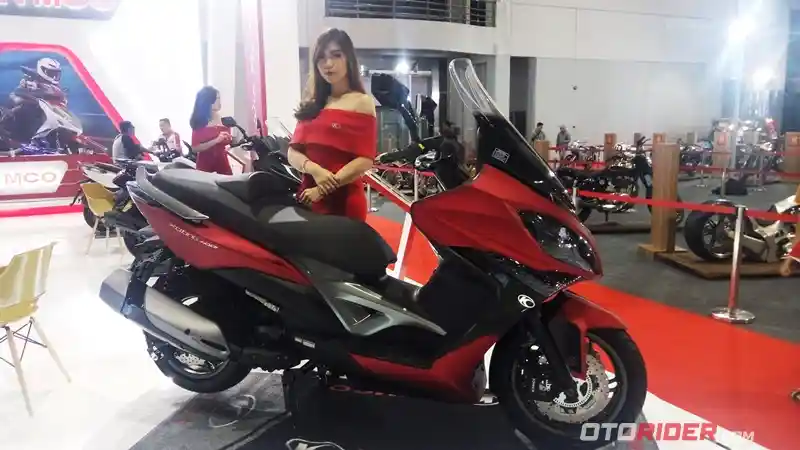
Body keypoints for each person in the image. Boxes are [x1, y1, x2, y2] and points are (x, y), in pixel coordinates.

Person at [287, 28, 377, 221]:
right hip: (307, 199)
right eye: (321, 58)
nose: (328, 64)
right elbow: (293, 152)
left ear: (348, 59)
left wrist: (321, 189)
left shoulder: (361, 102)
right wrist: (315, 170)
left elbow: (365, 160)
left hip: (343, 203)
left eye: (336, 55)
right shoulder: (312, 104)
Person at [189, 86, 233, 174]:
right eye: (217, 98)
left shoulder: (223, 118)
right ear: (208, 100)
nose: (219, 101)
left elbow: (228, 142)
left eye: (219, 98)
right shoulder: (200, 121)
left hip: (222, 162)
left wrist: (230, 139)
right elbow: (195, 148)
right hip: (205, 165)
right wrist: (216, 140)